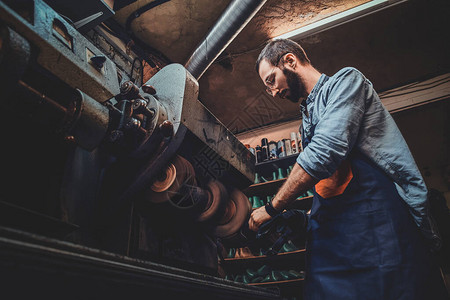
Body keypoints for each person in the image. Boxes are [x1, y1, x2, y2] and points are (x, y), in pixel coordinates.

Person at [248, 38, 448, 299]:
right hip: (338, 241)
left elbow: (325, 152)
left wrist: (273, 207)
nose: (273, 92)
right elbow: (333, 186)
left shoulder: (347, 82)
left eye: (270, 80)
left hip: (378, 227)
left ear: (289, 61)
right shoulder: (305, 123)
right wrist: (304, 218)